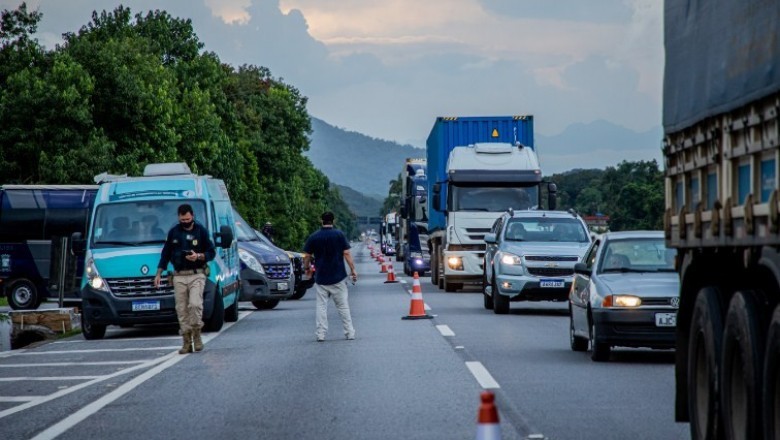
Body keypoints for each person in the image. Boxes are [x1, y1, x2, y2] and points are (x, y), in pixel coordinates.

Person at [153, 204, 216, 354]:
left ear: (192, 216)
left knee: (194, 305)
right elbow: (165, 255)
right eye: (182, 219)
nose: (185, 222)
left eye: (187, 219)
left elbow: (211, 252)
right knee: (181, 310)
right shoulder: (174, 232)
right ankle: (186, 342)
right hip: (179, 275)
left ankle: (197, 334)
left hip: (197, 273)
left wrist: (199, 256)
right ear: (178, 218)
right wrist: (158, 273)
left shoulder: (201, 231)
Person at [302, 211, 357, 342]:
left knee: (321, 307)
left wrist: (307, 269)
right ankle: (349, 333)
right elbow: (347, 253)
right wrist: (353, 269)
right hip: (338, 276)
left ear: (321, 221)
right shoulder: (339, 235)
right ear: (334, 221)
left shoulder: (314, 236)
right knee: (343, 307)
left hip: (321, 278)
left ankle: (320, 334)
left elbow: (307, 255)